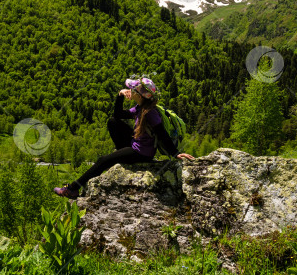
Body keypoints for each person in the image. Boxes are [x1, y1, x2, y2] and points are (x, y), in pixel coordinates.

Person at [54, 77, 195, 199]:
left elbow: (162, 133)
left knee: (103, 160)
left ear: (139, 95)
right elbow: (118, 115)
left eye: (133, 89)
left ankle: (72, 189)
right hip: (136, 144)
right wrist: (120, 95)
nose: (130, 91)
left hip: (142, 153)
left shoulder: (150, 113)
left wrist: (175, 153)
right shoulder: (140, 107)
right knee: (113, 122)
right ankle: (121, 153)